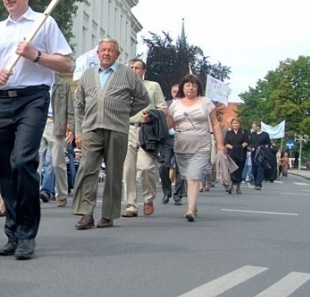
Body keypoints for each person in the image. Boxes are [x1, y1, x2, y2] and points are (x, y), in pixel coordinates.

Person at [0, 0, 72, 259]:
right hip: (3, 101)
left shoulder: (43, 23)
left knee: (23, 162)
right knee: (4, 169)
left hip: (33, 98)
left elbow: (68, 63)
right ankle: (13, 232)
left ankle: (28, 235)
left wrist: (35, 55)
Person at [72, 39, 150, 230]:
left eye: (110, 50)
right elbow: (79, 105)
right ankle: (86, 213)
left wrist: (124, 112)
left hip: (117, 129)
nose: (106, 53)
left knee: (114, 172)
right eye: (103, 50)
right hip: (91, 129)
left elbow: (143, 98)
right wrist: (79, 131)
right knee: (86, 170)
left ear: (117, 54)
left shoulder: (128, 74)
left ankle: (108, 214)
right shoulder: (87, 75)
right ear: (97, 54)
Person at [165, 74, 225, 222]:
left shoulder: (206, 102)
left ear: (198, 88)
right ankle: (193, 203)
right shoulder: (175, 104)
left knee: (194, 175)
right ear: (182, 88)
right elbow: (169, 124)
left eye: (194, 85)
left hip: (201, 145)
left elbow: (215, 124)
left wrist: (220, 144)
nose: (190, 88)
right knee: (186, 176)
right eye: (187, 85)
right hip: (181, 146)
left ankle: (190, 209)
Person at [121, 58, 167, 217]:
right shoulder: (122, 87)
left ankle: (148, 198)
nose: (134, 70)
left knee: (146, 167)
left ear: (144, 71)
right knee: (128, 169)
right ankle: (131, 205)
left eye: (137, 68)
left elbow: (163, 109)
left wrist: (152, 116)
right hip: (127, 129)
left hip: (146, 131)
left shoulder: (153, 86)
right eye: (131, 67)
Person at [39, 76, 74, 207]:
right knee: (34, 162)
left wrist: (72, 129)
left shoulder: (63, 84)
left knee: (57, 163)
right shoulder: (38, 79)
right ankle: (31, 194)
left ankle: (62, 194)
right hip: (38, 123)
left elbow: (70, 109)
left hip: (56, 124)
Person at [223, 117, 248, 194]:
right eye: (234, 123)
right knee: (231, 169)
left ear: (239, 124)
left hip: (241, 153)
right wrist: (233, 148)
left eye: (237, 123)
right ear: (231, 124)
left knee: (239, 170)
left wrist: (239, 148)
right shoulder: (229, 133)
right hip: (231, 153)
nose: (235, 125)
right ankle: (231, 185)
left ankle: (238, 187)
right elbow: (226, 143)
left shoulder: (243, 132)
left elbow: (246, 141)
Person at [248, 122, 271, 190]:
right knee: (254, 168)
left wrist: (264, 147)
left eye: (254, 127)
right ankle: (255, 181)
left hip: (261, 154)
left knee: (260, 168)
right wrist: (250, 148)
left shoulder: (265, 135)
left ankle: (259, 183)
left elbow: (268, 144)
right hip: (254, 153)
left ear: (258, 127)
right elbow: (249, 143)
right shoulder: (252, 134)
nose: (253, 128)